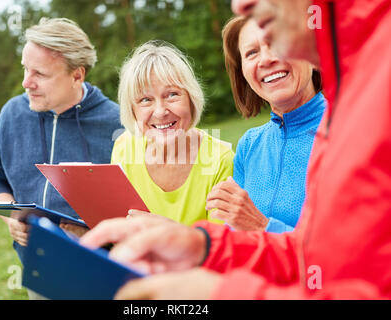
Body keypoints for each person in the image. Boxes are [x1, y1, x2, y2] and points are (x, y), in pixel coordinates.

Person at [81, 0, 391, 299]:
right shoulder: (251, 146)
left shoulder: (368, 107)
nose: (239, 4)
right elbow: (309, 255)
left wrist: (248, 244)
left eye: (271, 41)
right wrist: (203, 245)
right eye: (251, 52)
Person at [0, 18, 121, 272]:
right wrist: (11, 214)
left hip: (104, 269)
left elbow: (137, 207)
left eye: (40, 74)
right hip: (38, 267)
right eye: (25, 69)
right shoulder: (12, 113)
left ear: (77, 75)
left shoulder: (118, 123)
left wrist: (94, 231)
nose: (26, 82)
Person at [206, 16, 325, 233]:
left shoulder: (347, 132)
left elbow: (352, 251)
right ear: (243, 73)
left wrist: (262, 227)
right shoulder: (249, 145)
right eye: (252, 53)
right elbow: (235, 239)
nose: (266, 60)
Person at [112, 40, 234, 225]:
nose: (160, 111)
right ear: (132, 109)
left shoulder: (221, 160)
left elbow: (221, 247)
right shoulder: (123, 147)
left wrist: (162, 229)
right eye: (146, 99)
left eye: (172, 95)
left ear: (191, 99)